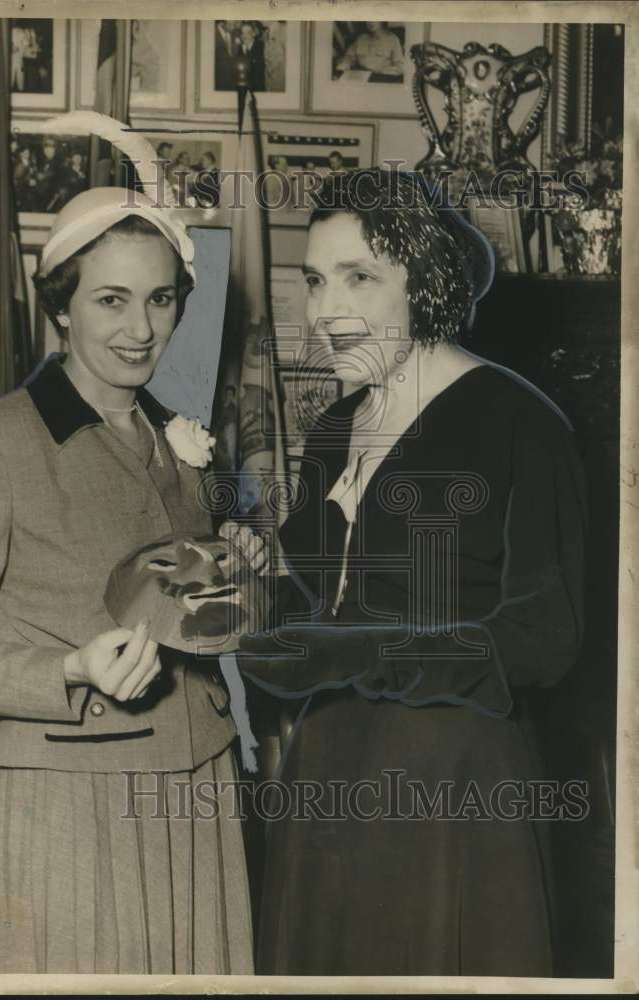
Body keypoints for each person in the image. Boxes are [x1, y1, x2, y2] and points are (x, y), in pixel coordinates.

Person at [0, 115, 266, 974]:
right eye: (111, 299)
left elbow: (175, 603)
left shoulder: (177, 434)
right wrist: (69, 669)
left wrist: (232, 570)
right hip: (73, 793)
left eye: (161, 297)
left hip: (201, 780)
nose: (141, 328)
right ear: (58, 304)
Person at [238, 168, 587, 976]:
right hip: (324, 764)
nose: (326, 311)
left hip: (451, 776)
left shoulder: (520, 422)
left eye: (360, 276)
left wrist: (364, 655)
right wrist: (247, 591)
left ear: (423, 283)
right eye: (316, 280)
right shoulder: (332, 426)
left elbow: (543, 638)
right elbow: (315, 604)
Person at [336, 21, 405, 78]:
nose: (371, 23)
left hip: (382, 78)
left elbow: (400, 67)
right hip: (362, 78)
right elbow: (349, 58)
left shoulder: (393, 39)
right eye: (368, 19)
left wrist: (381, 71)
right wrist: (345, 64)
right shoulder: (361, 39)